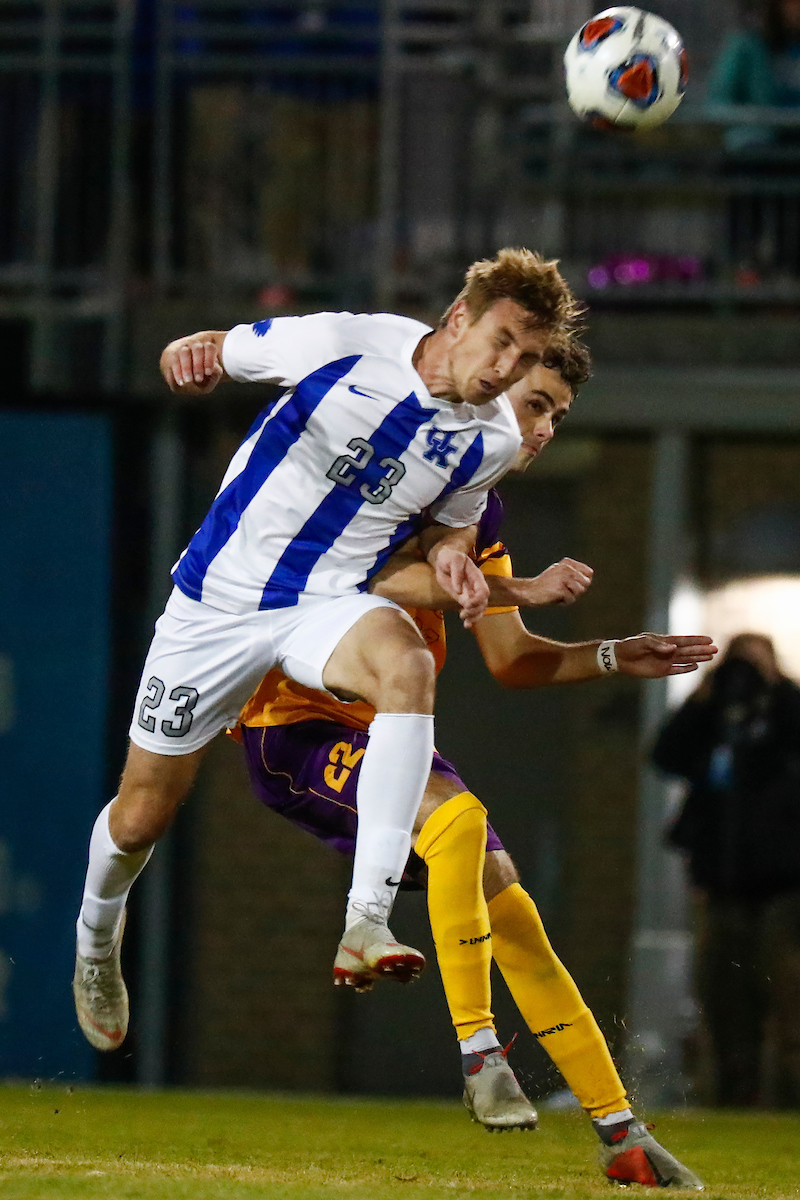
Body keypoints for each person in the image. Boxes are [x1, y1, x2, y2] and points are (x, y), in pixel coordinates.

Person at [72, 248, 584, 1056]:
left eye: (524, 358)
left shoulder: (486, 440)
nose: (506, 370)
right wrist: (189, 352)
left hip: (326, 602)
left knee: (407, 666)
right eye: (501, 343)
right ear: (458, 318)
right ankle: (97, 940)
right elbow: (222, 344)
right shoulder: (349, 341)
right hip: (218, 605)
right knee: (141, 815)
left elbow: (455, 519)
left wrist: (453, 553)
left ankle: (365, 921)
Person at [232, 343, 710, 1188]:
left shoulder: (475, 506)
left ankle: (620, 1132)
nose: (544, 428)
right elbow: (364, 568)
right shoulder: (387, 462)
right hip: (297, 725)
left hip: (388, 724)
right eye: (536, 404)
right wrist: (517, 588)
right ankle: (481, 1054)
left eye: (559, 414)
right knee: (458, 822)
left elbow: (510, 659)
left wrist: (610, 655)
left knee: (506, 892)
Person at [654, 632, 800, 1106]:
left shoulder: (784, 710)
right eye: (738, 664)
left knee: (787, 993)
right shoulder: (713, 716)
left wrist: (778, 689)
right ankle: (734, 1095)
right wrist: (705, 698)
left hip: (784, 885)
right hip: (719, 882)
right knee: (724, 995)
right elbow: (665, 755)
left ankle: (787, 1099)